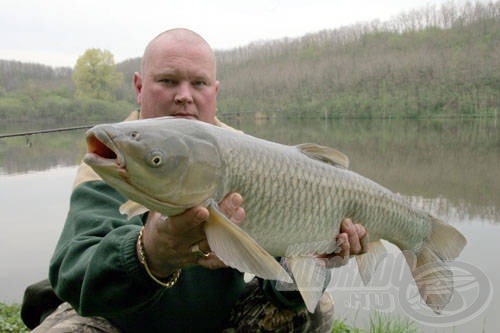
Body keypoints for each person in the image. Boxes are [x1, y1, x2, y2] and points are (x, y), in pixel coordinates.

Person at [27, 28, 367, 332]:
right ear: (139, 87)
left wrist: (314, 260)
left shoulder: (252, 161)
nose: (184, 96)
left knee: (314, 306)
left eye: (199, 84)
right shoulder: (119, 158)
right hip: (123, 320)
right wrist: (151, 251)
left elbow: (277, 285)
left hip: (216, 319)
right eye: (169, 81)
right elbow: (74, 273)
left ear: (215, 92)